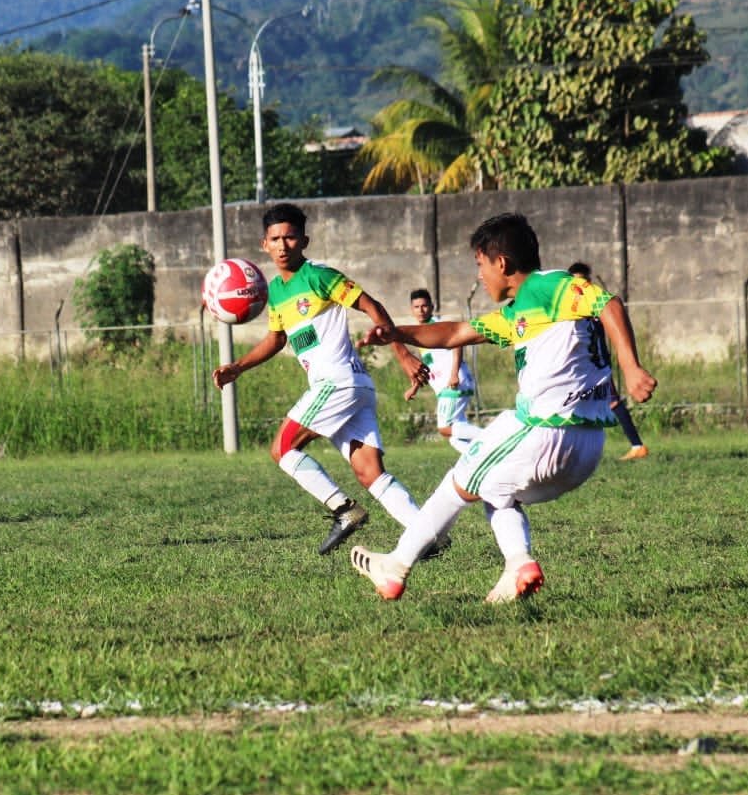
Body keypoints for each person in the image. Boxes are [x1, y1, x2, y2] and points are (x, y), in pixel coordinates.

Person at [348, 213, 657, 602]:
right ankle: (518, 565)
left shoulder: (551, 286)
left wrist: (631, 368)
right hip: (586, 448)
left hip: (545, 429)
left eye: (479, 265)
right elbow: (457, 332)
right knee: (494, 489)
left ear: (501, 263)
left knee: (458, 482)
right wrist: (397, 332)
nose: (479, 276)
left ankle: (395, 567)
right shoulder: (519, 311)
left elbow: (608, 302)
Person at [212, 202, 430, 554]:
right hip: (353, 386)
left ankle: (345, 510)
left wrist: (403, 352)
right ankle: (429, 533)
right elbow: (277, 339)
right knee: (369, 472)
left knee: (283, 448)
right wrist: (238, 366)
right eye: (276, 239)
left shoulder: (319, 275)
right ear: (263, 244)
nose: (283, 246)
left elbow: (370, 305)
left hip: (337, 381)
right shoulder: (276, 292)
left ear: (305, 240)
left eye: (291, 237)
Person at [566, 262, 649, 461]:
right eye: (576, 281)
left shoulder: (594, 309)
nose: (580, 286)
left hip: (594, 366)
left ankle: (637, 445)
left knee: (610, 402)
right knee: (580, 404)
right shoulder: (572, 310)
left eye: (584, 281)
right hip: (581, 367)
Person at [407, 288, 479, 454]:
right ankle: (476, 460)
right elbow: (429, 364)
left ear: (431, 307)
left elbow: (457, 344)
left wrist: (453, 374)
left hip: (453, 383)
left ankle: (492, 437)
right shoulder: (419, 333)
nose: (421, 310)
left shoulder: (439, 325)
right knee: (455, 437)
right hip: (447, 386)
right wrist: (415, 387)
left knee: (445, 428)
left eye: (424, 306)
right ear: (412, 310)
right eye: (416, 307)